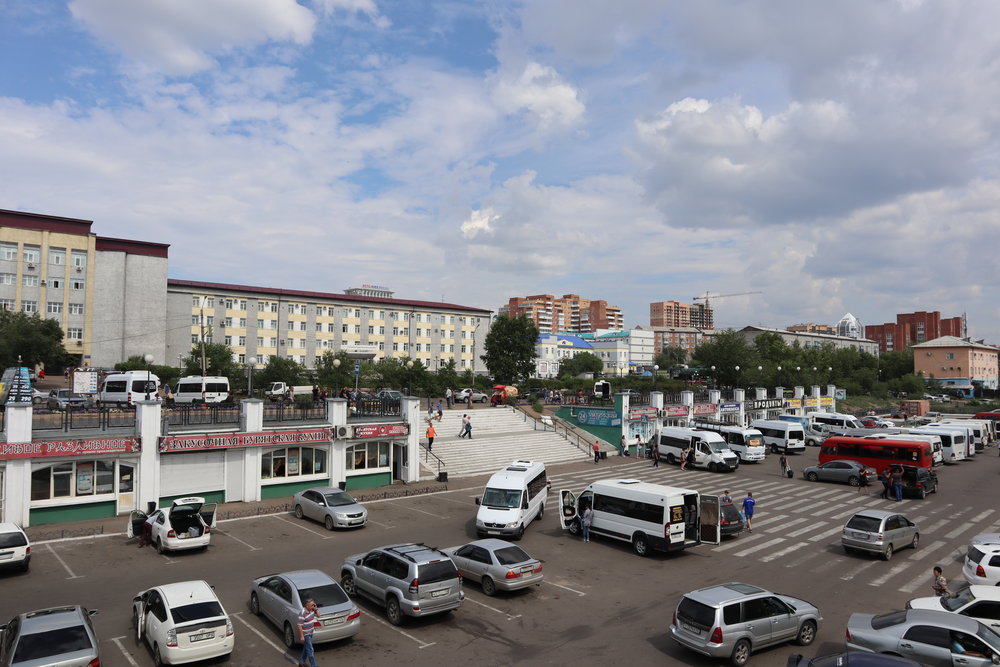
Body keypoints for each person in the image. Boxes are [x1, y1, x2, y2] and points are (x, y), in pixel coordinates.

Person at [297, 598, 319, 667]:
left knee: (306, 648)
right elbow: (299, 625)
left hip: (310, 632)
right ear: (307, 606)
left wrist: (316, 608)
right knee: (310, 650)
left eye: (314, 604)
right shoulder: (303, 612)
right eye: (312, 605)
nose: (314, 606)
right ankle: (313, 665)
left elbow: (319, 615)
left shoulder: (313, 609)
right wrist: (302, 636)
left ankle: (301, 662)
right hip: (306, 634)